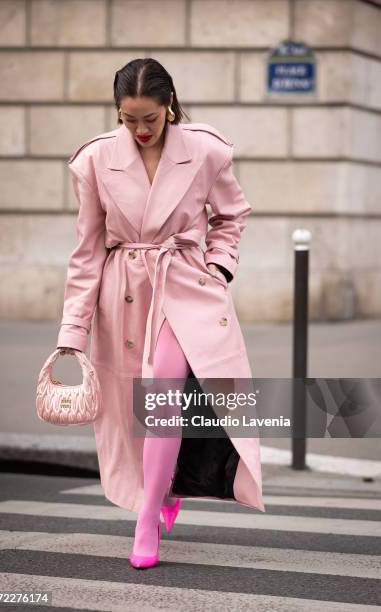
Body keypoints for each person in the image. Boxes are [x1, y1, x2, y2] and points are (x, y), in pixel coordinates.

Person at [57, 58, 265, 570]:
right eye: (129, 119)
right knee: (136, 414)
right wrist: (72, 331)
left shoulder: (206, 150)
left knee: (165, 395)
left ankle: (146, 517)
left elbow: (233, 214)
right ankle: (163, 488)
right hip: (123, 293)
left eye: (150, 118)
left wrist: (218, 267)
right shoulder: (93, 161)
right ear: (117, 112)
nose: (141, 130)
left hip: (184, 285)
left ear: (169, 106)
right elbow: (86, 251)